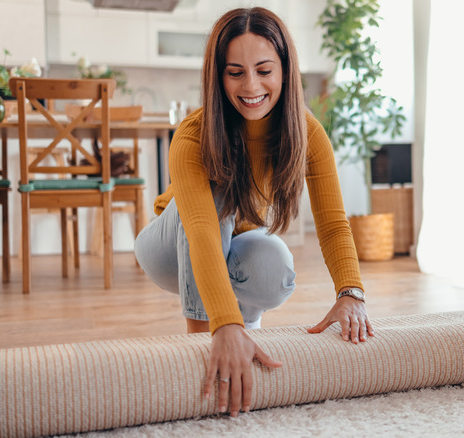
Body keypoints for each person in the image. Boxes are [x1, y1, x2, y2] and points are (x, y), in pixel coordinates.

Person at [134, 7, 374, 417]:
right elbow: (202, 232)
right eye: (235, 72)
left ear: (284, 70)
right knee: (224, 184)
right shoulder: (192, 137)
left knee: (273, 260)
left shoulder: (307, 131)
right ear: (218, 75)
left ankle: (241, 330)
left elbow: (333, 223)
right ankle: (208, 338)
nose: (251, 86)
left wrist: (351, 294)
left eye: (264, 70)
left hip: (232, 241)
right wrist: (222, 326)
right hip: (168, 247)